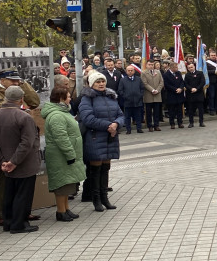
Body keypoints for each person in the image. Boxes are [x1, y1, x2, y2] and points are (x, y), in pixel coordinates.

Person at [0, 69, 43, 227]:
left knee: (23, 185)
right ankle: (4, 215)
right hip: (4, 150)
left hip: (21, 148)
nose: (16, 82)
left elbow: (34, 102)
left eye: (17, 80)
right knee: (5, 185)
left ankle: (22, 213)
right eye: (12, 80)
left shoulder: (20, 91)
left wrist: (23, 84)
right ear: (1, 80)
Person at [78, 72, 124, 212]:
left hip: (110, 137)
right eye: (97, 82)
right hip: (95, 137)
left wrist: (116, 124)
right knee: (95, 170)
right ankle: (96, 199)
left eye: (102, 81)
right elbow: (87, 118)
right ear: (92, 84)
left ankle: (105, 198)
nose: (101, 84)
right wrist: (108, 126)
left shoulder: (112, 97)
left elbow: (121, 115)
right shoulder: (87, 98)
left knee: (106, 168)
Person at [41, 87, 84, 223]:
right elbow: (61, 137)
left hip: (64, 155)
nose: (70, 98)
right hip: (60, 155)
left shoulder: (62, 112)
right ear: (61, 98)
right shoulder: (57, 115)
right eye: (68, 96)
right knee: (61, 184)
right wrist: (70, 153)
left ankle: (66, 208)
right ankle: (60, 211)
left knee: (67, 183)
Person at [118, 63, 144, 134]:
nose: (130, 72)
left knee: (138, 116)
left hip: (137, 101)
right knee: (127, 117)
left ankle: (139, 128)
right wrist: (125, 97)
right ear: (126, 71)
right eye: (128, 70)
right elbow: (120, 90)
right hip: (127, 101)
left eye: (131, 70)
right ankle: (128, 129)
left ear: (134, 71)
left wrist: (140, 95)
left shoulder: (138, 79)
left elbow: (142, 89)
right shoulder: (123, 80)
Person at [142, 60, 164, 131]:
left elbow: (161, 82)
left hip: (157, 95)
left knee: (156, 111)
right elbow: (145, 83)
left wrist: (158, 90)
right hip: (149, 95)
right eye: (149, 64)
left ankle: (156, 125)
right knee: (148, 112)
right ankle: (150, 126)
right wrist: (152, 90)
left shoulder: (158, 72)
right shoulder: (144, 73)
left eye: (152, 65)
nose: (151, 66)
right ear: (146, 65)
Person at [163, 61, 185, 129]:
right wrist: (175, 89)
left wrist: (181, 88)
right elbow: (167, 85)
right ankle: (172, 123)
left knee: (179, 110)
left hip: (179, 94)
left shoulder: (178, 73)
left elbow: (182, 82)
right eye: (176, 67)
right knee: (171, 110)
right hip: (171, 94)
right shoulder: (166, 75)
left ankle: (180, 122)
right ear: (171, 68)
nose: (177, 68)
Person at [184, 61, 206, 128]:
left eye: (192, 67)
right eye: (189, 67)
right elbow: (185, 84)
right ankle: (191, 122)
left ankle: (201, 122)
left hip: (199, 94)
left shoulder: (200, 73)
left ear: (194, 67)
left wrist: (197, 88)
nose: (190, 68)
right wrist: (191, 89)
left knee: (200, 109)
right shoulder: (187, 75)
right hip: (190, 94)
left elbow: (202, 82)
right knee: (190, 110)